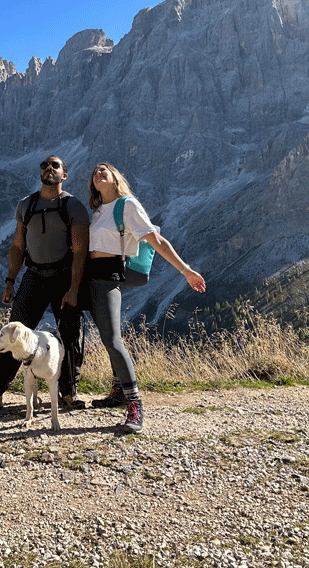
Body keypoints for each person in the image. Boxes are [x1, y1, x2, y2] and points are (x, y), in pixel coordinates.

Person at [85, 162, 206, 433]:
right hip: (90, 277)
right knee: (106, 335)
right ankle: (118, 391)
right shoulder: (98, 211)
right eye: (95, 171)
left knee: (113, 339)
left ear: (117, 178)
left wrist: (185, 271)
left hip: (108, 276)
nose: (99, 172)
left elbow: (158, 242)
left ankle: (134, 403)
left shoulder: (127, 205)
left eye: (105, 169)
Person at [0, 155, 90, 414]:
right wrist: (9, 282)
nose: (48, 168)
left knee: (70, 336)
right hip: (34, 276)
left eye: (55, 166)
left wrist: (73, 289)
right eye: (44, 165)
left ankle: (68, 394)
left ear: (65, 175)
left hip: (63, 277)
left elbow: (81, 252)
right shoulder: (26, 205)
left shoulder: (74, 207)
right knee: (14, 336)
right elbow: (18, 246)